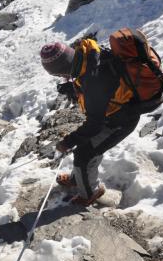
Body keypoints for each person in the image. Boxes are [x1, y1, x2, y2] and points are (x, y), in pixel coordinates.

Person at [39, 38, 148, 206]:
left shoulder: (92, 81)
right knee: (87, 148)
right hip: (113, 112)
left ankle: (90, 193)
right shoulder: (87, 56)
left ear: (63, 68)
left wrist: (67, 142)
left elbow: (94, 125)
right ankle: (78, 179)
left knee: (84, 154)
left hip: (120, 121)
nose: (61, 77)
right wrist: (74, 89)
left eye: (59, 74)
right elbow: (101, 87)